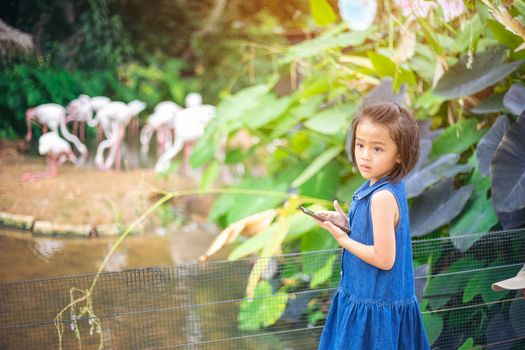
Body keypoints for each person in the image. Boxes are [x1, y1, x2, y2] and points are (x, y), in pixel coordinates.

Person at [316, 102, 430, 349]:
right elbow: (379, 233)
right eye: (360, 145)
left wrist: (344, 240)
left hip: (374, 305)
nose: (365, 155)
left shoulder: (381, 197)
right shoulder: (377, 185)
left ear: (399, 154)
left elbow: (384, 258)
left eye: (377, 148)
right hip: (363, 296)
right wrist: (346, 223)